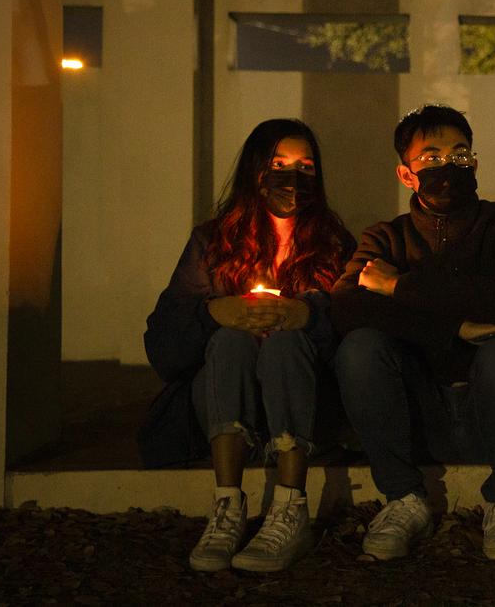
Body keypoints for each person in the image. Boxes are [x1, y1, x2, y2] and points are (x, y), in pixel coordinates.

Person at [331, 104, 495, 561]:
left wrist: (397, 285)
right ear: (406, 174)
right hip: (415, 410)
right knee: (360, 346)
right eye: (431, 158)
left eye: (460, 154)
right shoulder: (383, 238)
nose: (449, 166)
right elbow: (348, 307)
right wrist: (457, 327)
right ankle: (403, 499)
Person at [142, 119, 354, 573]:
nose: (292, 177)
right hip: (224, 396)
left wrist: (308, 314)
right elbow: (164, 345)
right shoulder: (213, 241)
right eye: (278, 164)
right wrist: (215, 313)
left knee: (284, 345)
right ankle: (227, 507)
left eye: (305, 165)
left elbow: (356, 330)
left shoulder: (333, 244)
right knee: (232, 341)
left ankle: (290, 508)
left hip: (302, 399)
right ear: (255, 170)